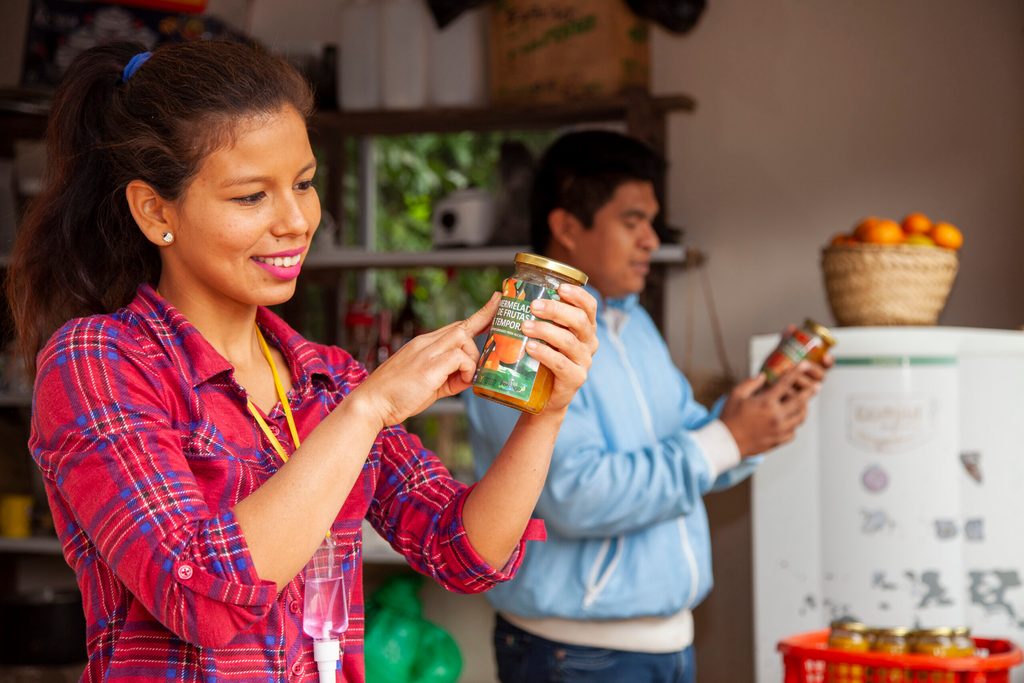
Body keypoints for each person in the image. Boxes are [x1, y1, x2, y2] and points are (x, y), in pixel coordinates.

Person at [6, 41, 598, 682]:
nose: (296, 221)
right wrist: (368, 410)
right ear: (155, 211)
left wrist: (545, 412)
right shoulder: (98, 362)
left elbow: (463, 551)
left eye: (304, 184)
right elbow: (199, 596)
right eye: (250, 197)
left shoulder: (327, 378)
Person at [464, 130, 829, 683]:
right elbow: (576, 496)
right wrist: (726, 440)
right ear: (567, 228)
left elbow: (695, 447)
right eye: (632, 221)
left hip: (669, 645)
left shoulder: (632, 324)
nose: (651, 241)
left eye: (651, 223)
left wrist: (756, 416)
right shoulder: (524, 333)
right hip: (576, 655)